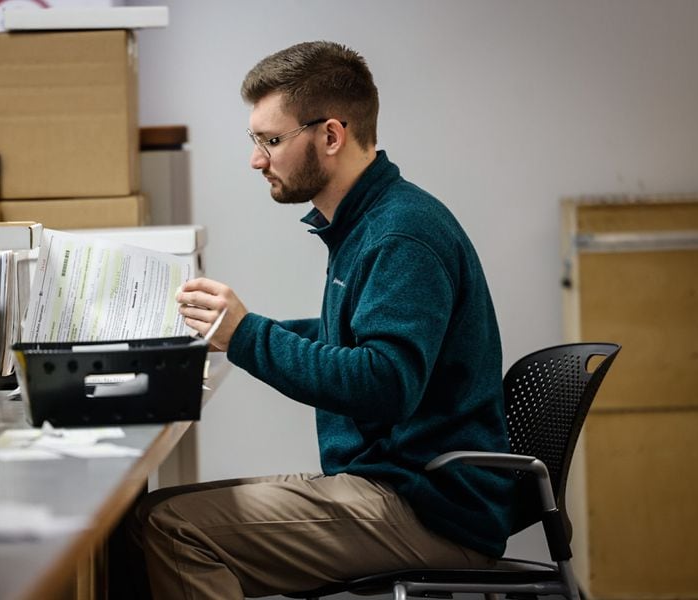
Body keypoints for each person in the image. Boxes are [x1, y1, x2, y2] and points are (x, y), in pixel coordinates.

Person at [126, 40, 514, 600]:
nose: (257, 160)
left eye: (272, 140)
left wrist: (248, 334)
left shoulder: (401, 234)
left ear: (331, 136)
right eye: (255, 140)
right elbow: (355, 342)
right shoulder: (370, 222)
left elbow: (385, 383)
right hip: (403, 484)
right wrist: (233, 335)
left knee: (174, 529)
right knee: (148, 516)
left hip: (428, 506)